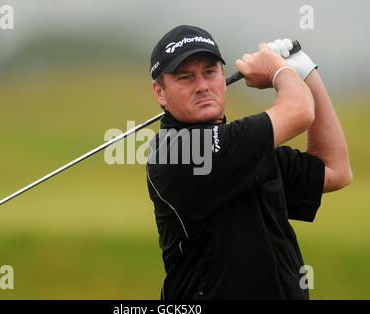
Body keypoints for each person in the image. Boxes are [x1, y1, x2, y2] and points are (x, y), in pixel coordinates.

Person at [146, 25, 352, 299]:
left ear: (222, 76)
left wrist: (307, 74)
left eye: (210, 72)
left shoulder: (244, 150)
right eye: (185, 78)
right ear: (160, 92)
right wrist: (280, 71)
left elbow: (334, 170)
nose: (203, 86)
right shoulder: (179, 152)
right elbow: (299, 111)